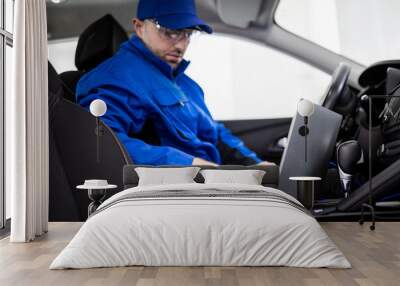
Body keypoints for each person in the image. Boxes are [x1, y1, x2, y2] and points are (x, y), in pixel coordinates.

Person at [76, 0, 275, 166]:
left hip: (209, 184)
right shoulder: (116, 77)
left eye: (187, 33)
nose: (180, 44)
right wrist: (189, 164)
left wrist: (253, 163)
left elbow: (214, 133)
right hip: (171, 192)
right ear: (139, 27)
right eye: (170, 31)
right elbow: (104, 142)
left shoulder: (186, 84)